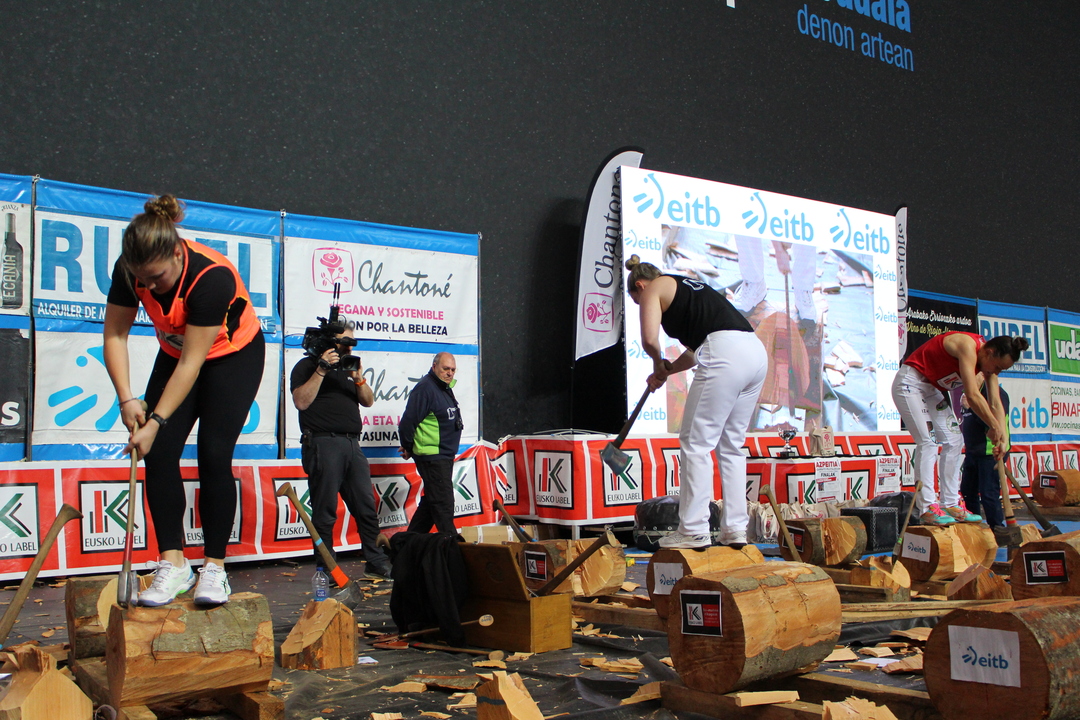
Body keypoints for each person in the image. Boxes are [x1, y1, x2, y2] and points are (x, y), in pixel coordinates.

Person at [103, 194, 265, 606]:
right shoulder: (129, 270)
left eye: (157, 278)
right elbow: (115, 335)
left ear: (177, 253)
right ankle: (174, 564)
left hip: (232, 356)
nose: (150, 288)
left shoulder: (211, 278)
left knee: (213, 453)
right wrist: (126, 399)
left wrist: (155, 421)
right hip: (176, 352)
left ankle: (215, 568)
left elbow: (193, 364)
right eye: (143, 279)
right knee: (158, 454)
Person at [625, 254, 768, 549]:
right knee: (731, 446)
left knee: (695, 443)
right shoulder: (687, 287)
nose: (642, 304)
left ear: (639, 286)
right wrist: (666, 371)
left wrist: (656, 362)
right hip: (754, 352)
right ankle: (735, 530)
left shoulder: (653, 288)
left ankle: (693, 530)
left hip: (724, 352)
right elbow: (693, 353)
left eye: (638, 301)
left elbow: (650, 340)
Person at [891, 332, 1027, 525]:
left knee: (955, 440)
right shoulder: (967, 346)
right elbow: (972, 395)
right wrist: (994, 426)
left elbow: (995, 402)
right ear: (989, 352)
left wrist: (1003, 438)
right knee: (928, 442)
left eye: (1001, 370)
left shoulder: (989, 364)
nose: (996, 372)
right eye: (997, 367)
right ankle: (927, 508)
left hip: (930, 389)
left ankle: (950, 502)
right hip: (910, 383)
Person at [290, 323, 393, 579]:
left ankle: (375, 561)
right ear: (328, 342)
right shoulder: (306, 366)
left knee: (366, 507)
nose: (349, 347)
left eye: (351, 342)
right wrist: (322, 369)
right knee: (325, 512)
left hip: (352, 445)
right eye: (344, 341)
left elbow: (368, 401)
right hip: (323, 443)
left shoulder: (349, 368)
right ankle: (326, 568)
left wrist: (358, 378)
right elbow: (301, 401)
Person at [397, 352, 463, 534]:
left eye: (453, 370)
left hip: (443, 456)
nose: (450, 373)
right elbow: (407, 423)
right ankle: (451, 545)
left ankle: (407, 545)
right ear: (434, 367)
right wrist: (409, 446)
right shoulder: (425, 389)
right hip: (432, 457)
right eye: (446, 369)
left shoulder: (442, 387)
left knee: (431, 503)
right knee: (443, 504)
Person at [960, 373, 1010, 528]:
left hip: (990, 451)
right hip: (972, 451)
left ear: (982, 374)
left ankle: (997, 528)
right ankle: (974, 526)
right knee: (967, 490)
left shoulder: (995, 395)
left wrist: (972, 408)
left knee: (988, 493)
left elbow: (995, 424)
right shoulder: (969, 394)